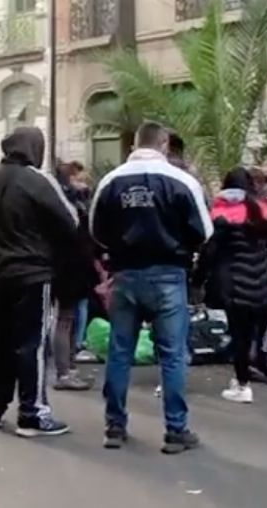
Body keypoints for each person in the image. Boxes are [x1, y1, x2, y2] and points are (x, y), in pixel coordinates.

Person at [90, 121, 212, 454]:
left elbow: (96, 230)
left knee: (120, 352)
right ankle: (176, 430)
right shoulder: (182, 181)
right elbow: (204, 231)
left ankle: (114, 425)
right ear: (164, 144)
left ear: (134, 144)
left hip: (126, 274)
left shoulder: (110, 182)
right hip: (169, 275)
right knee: (172, 355)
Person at [0, 127, 79, 438]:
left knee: (1, 343)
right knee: (31, 344)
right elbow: (70, 219)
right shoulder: (37, 179)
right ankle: (32, 413)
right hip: (32, 273)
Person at [193, 167, 267, 404]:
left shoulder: (221, 211)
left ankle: (243, 385)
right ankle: (248, 373)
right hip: (262, 283)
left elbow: (209, 251)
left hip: (235, 284)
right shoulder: (263, 209)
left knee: (239, 335)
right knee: (252, 333)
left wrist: (198, 280)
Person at [51, 162, 97, 391]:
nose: (84, 182)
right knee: (65, 317)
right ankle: (64, 371)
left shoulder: (68, 200)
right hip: (69, 265)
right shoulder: (71, 202)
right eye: (80, 177)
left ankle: (69, 367)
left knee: (71, 317)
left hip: (74, 264)